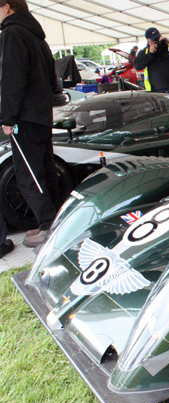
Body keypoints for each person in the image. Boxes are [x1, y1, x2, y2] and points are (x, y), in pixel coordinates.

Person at [0, 0, 60, 249]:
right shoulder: (37, 36)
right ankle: (55, 222)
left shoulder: (12, 33)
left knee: (29, 175)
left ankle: (48, 226)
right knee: (46, 170)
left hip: (24, 117)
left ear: (7, 7)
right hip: (41, 114)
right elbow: (52, 79)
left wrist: (7, 118)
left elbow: (12, 77)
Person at [134, 27, 169, 109]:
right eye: (154, 40)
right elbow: (137, 65)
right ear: (148, 41)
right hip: (159, 93)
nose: (157, 42)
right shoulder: (145, 52)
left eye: (158, 38)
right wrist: (150, 54)